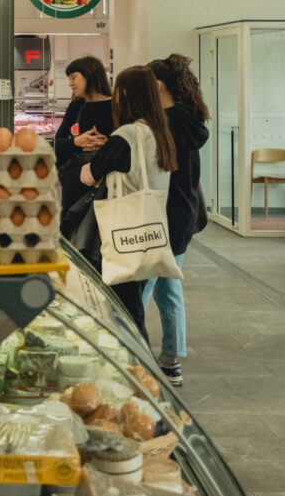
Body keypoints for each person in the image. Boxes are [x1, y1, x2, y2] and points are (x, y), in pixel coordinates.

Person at [80, 65, 177, 337]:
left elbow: (90, 174)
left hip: (124, 232)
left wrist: (93, 162)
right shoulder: (160, 132)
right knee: (132, 302)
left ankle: (139, 368)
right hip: (150, 230)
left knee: (125, 310)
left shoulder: (127, 135)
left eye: (119, 90)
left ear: (126, 94)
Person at [142, 54, 210, 385]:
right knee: (168, 288)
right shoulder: (189, 118)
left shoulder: (163, 122)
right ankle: (171, 362)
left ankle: (130, 360)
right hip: (182, 216)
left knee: (140, 289)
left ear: (157, 85)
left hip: (161, 216)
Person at [53, 55, 114, 237]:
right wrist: (76, 142)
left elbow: (126, 143)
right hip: (74, 184)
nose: (70, 83)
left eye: (73, 77)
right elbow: (58, 143)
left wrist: (108, 144)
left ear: (89, 75)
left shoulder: (116, 107)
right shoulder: (76, 107)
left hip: (105, 183)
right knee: (71, 230)